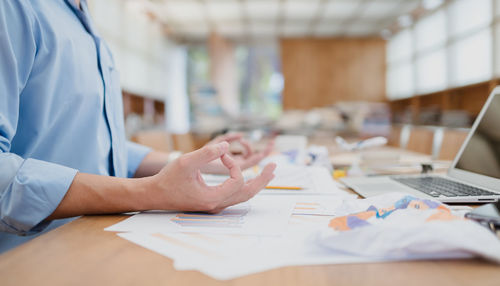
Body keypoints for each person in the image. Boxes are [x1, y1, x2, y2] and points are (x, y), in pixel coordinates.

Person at [0, 0, 275, 253]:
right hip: (32, 256)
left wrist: (194, 162)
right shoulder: (14, 8)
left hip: (99, 241)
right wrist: (150, 193)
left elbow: (100, 147)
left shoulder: (84, 21)